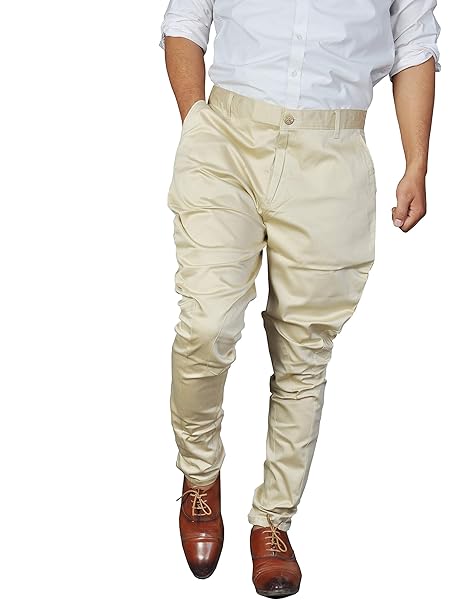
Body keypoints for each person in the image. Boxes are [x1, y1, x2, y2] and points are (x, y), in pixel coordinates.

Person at [159, 1, 440, 596]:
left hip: (333, 150)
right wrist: (196, 123)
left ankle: (274, 520)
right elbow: (186, 19)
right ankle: (199, 473)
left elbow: (413, 43)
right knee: (207, 322)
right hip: (227, 137)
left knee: (304, 351)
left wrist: (417, 162)